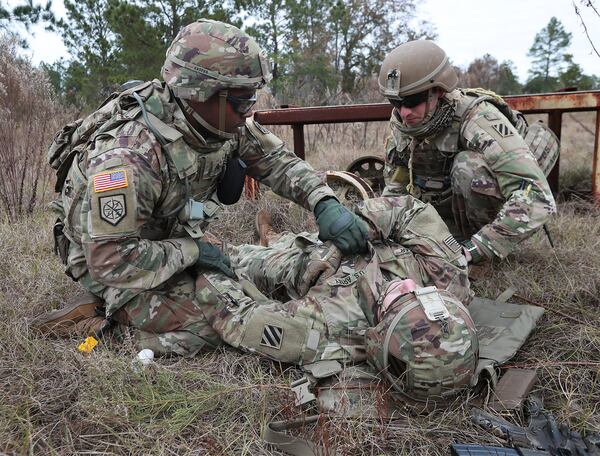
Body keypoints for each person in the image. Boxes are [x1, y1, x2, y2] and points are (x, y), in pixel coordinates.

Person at [35, 19, 369, 343]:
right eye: (243, 101)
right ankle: (101, 322)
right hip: (116, 264)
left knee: (274, 268)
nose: (248, 112)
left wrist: (323, 201)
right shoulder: (128, 156)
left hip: (174, 242)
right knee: (221, 326)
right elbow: (111, 258)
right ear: (201, 92)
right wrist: (192, 251)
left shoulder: (218, 123)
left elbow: (275, 161)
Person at [35, 194, 478, 403]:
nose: (402, 288)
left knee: (205, 319)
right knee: (274, 250)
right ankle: (272, 239)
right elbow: (411, 209)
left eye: (396, 303)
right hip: (313, 249)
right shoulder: (448, 273)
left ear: (379, 337)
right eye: (415, 293)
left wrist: (201, 259)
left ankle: (110, 306)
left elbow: (238, 318)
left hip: (282, 276)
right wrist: (348, 237)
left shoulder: (331, 332)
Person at [378, 40, 558, 264]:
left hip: (485, 215)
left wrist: (474, 249)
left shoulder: (477, 117)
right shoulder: (403, 123)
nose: (404, 112)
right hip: (443, 206)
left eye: (413, 101)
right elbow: (396, 185)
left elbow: (536, 196)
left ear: (439, 91)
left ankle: (478, 249)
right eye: (395, 102)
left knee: (467, 166)